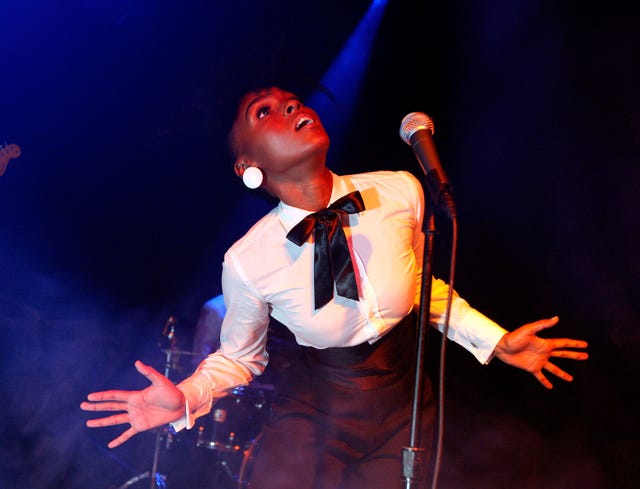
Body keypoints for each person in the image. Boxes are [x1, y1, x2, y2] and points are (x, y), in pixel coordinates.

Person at [81, 86, 589, 489]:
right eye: (266, 112)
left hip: (404, 414)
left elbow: (421, 291)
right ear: (248, 169)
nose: (291, 107)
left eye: (293, 102)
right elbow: (240, 358)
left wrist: (496, 341)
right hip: (316, 416)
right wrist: (188, 396)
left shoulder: (399, 190)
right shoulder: (248, 259)